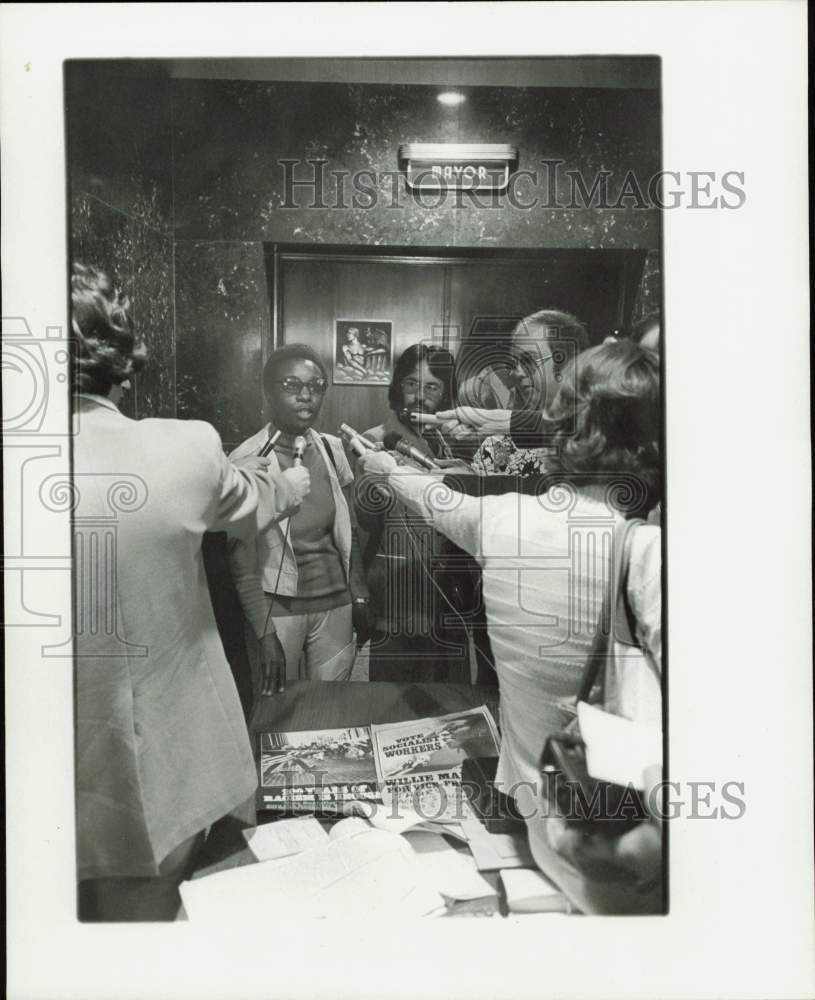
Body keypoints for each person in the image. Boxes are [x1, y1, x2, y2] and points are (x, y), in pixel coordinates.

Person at [358, 341, 662, 912]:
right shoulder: (645, 551)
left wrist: (388, 469)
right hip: (617, 847)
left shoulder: (503, 519)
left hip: (532, 821)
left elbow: (437, 500)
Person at [71, 263, 275, 921]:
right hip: (157, 791)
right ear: (123, 361)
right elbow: (251, 505)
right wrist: (282, 486)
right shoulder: (186, 448)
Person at [229, 344, 372, 696]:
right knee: (279, 712)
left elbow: (348, 526)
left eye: (316, 385)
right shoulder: (248, 459)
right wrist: (264, 634)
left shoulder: (329, 447)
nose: (306, 395)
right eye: (291, 385)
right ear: (268, 391)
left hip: (335, 605)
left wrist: (359, 594)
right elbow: (239, 557)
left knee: (331, 710)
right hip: (279, 611)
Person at [356, 342, 470, 682]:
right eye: (411, 385)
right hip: (399, 600)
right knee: (393, 708)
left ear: (445, 396)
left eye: (432, 387)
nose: (420, 396)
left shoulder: (447, 445)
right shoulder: (373, 442)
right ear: (397, 388)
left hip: (447, 601)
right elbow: (362, 523)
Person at [455, 309, 589, 467]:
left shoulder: (593, 422)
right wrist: (474, 466)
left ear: (569, 362)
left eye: (528, 361)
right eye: (514, 363)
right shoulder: (526, 408)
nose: (517, 372)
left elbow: (554, 468)